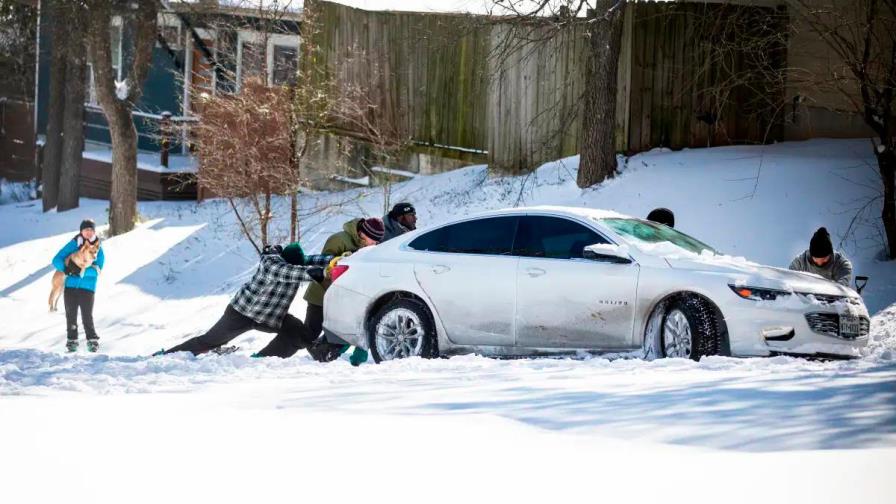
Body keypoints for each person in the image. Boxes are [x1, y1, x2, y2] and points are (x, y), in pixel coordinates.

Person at [160, 243, 334, 358]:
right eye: (297, 266)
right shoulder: (272, 264)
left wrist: (335, 261)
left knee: (298, 332)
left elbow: (314, 259)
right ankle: (168, 356)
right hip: (241, 313)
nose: (300, 267)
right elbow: (286, 272)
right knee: (210, 340)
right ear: (286, 260)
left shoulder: (297, 263)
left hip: (270, 316)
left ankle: (263, 359)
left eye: (301, 265)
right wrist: (318, 273)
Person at [306, 217, 385, 365]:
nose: (374, 244)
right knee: (310, 331)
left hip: (344, 296)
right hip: (321, 293)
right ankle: (279, 352)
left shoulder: (370, 247)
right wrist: (343, 258)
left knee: (340, 328)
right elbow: (323, 262)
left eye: (377, 241)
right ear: (362, 233)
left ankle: (325, 354)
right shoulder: (338, 239)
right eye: (373, 240)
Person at [52, 219, 105, 353]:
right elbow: (56, 260)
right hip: (70, 286)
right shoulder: (73, 244)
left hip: (88, 287)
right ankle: (72, 342)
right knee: (71, 315)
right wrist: (67, 269)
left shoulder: (98, 248)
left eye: (91, 230)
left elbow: (98, 269)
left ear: (94, 231)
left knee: (87, 315)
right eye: (86, 230)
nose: (88, 232)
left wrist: (81, 270)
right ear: (81, 231)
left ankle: (92, 341)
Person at [789, 227, 853, 287]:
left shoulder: (841, 264)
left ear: (830, 255)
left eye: (824, 259)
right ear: (811, 255)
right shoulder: (799, 263)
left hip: (832, 297)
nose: (820, 263)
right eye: (816, 259)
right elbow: (789, 279)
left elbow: (844, 282)